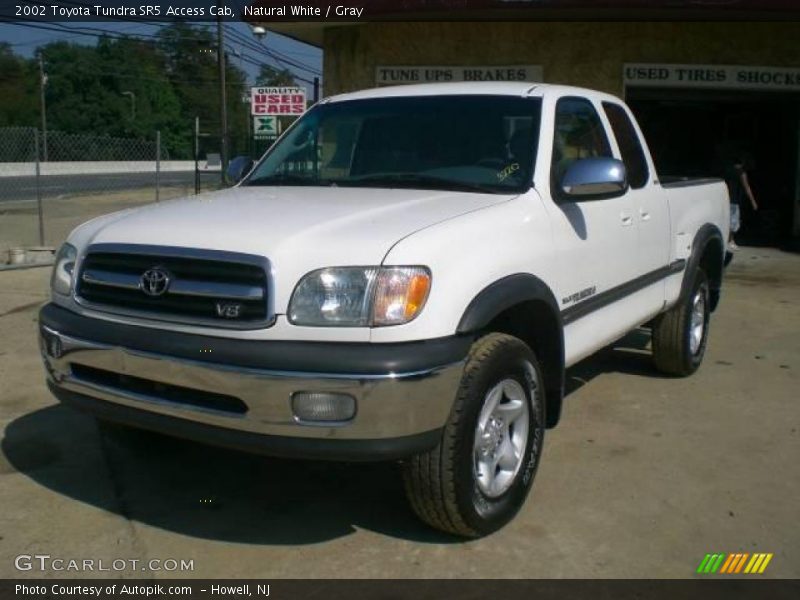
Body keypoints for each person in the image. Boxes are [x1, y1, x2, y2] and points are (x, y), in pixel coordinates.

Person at [725, 155, 759, 249]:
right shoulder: (741, 173)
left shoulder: (728, 171)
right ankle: (730, 240)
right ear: (743, 162)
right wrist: (753, 202)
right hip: (734, 199)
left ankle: (728, 240)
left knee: (728, 220)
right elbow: (746, 187)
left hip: (726, 198)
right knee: (734, 221)